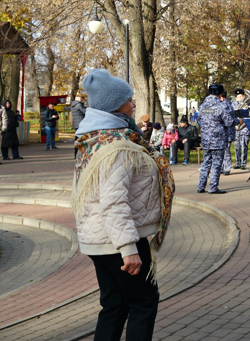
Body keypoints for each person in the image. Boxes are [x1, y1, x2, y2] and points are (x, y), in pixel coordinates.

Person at [72, 68, 174, 341]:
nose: (134, 103)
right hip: (118, 241)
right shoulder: (115, 146)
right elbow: (114, 202)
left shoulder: (93, 138)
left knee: (114, 305)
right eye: (129, 99)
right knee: (143, 302)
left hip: (100, 238)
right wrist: (129, 250)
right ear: (116, 104)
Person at [197, 84, 235, 194]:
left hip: (206, 140)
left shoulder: (202, 107)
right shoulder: (220, 107)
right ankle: (213, 187)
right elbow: (229, 122)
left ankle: (201, 186)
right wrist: (239, 121)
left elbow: (199, 120)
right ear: (220, 94)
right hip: (218, 140)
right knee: (217, 164)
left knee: (205, 163)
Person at [232, 89, 250, 170]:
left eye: (241, 96)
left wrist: (248, 118)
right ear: (236, 98)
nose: (240, 98)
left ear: (244, 96)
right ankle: (237, 163)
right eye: (238, 97)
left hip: (245, 128)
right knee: (236, 147)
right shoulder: (233, 104)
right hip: (236, 128)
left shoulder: (249, 104)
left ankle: (243, 163)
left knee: (244, 146)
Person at [219, 90, 235, 175]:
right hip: (222, 132)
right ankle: (221, 167)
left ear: (223, 97)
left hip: (228, 132)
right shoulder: (222, 104)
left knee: (226, 151)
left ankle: (227, 168)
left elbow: (226, 118)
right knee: (221, 150)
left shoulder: (227, 105)